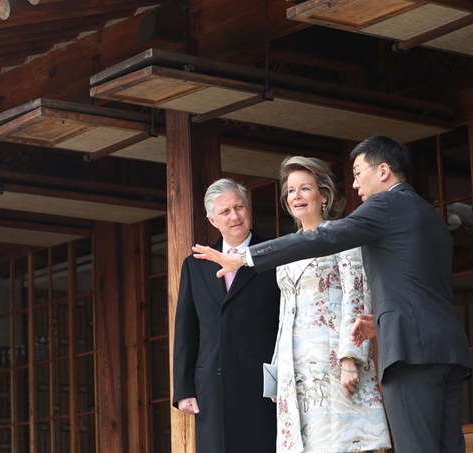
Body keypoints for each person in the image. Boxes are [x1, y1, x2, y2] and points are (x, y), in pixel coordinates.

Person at [192, 136, 473, 453]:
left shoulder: (384, 205)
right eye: (290, 191)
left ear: (382, 171)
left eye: (358, 173)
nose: (355, 184)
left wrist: (245, 257)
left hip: (406, 353)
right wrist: (380, 322)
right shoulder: (428, 212)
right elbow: (417, 287)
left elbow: (325, 239)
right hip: (447, 349)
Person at [271, 156, 390, 452]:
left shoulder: (343, 237)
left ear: (323, 195)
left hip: (333, 362)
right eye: (290, 191)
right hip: (293, 368)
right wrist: (275, 372)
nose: (296, 196)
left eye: (304, 188)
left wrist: (350, 358)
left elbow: (357, 295)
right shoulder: (285, 248)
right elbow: (284, 315)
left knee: (341, 443)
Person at [173, 178, 281, 453]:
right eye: (225, 212)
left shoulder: (274, 256)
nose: (235, 216)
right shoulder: (195, 265)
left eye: (239, 207)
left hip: (263, 385)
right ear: (212, 220)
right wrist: (183, 387)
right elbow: (186, 329)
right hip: (212, 386)